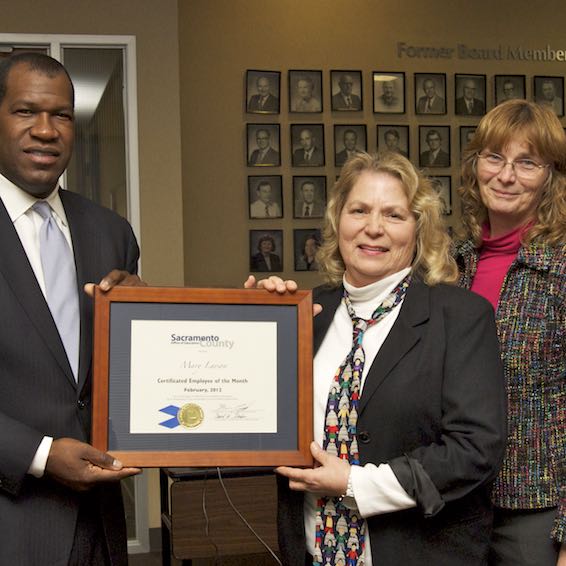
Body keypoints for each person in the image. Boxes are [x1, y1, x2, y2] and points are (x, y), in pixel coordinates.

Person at [246, 151, 507, 565]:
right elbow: (254, 417)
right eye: (359, 210)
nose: (373, 228)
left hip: (418, 551)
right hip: (312, 551)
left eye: (393, 215)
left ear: (419, 229)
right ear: (337, 222)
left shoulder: (460, 317)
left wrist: (354, 482)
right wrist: (258, 327)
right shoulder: (305, 314)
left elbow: (475, 449)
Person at [0, 52, 145, 565]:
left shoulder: (111, 232)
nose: (45, 130)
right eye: (25, 111)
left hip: (102, 525)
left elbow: (124, 373)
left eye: (61, 115)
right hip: (12, 521)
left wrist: (144, 317)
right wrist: (39, 454)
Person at [456, 99, 566, 566]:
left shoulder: (561, 267)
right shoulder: (450, 265)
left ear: (551, 177)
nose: (505, 175)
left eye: (527, 163)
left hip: (536, 511)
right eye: (494, 157)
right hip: (453, 506)